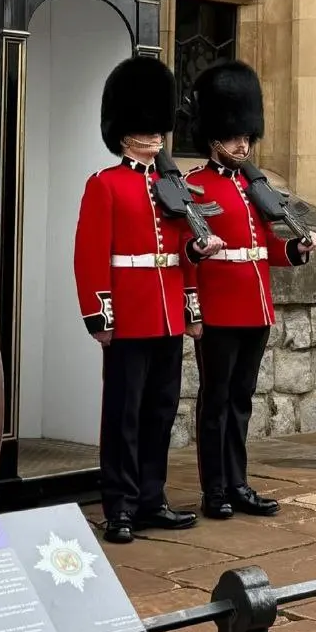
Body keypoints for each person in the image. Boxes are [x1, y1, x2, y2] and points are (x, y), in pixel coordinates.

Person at [74, 56, 223, 545]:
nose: (157, 138)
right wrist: (101, 314)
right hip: (130, 315)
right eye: (147, 130)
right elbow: (91, 255)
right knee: (124, 414)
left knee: (160, 410)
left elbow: (180, 253)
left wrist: (195, 276)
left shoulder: (169, 187)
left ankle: (151, 498)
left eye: (159, 130)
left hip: (166, 315)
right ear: (124, 135)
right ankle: (118, 505)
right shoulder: (105, 185)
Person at [186, 61, 316, 519]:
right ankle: (214, 490)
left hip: (256, 309)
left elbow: (265, 250)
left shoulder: (254, 187)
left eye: (246, 136)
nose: (242, 143)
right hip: (220, 311)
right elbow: (191, 258)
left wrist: (299, 249)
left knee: (241, 400)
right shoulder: (194, 188)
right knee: (217, 400)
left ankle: (238, 483)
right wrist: (195, 311)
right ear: (213, 138)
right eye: (233, 136)